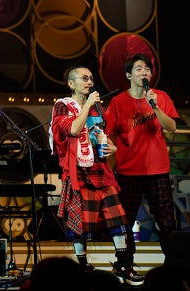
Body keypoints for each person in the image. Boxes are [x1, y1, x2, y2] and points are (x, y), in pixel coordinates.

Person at [48, 65, 144, 286]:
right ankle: (82, 267)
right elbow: (73, 129)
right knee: (81, 221)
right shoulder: (63, 105)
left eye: (91, 78)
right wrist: (88, 105)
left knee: (117, 217)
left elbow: (102, 134)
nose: (89, 82)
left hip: (100, 168)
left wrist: (112, 147)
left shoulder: (97, 107)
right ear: (71, 84)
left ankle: (123, 265)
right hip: (78, 170)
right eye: (84, 78)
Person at [105, 54, 179, 260]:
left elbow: (172, 127)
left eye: (147, 69)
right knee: (125, 222)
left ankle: (174, 264)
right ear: (129, 75)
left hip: (158, 171)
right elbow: (105, 131)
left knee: (167, 221)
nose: (144, 72)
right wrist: (110, 146)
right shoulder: (118, 102)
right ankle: (126, 263)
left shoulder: (160, 97)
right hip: (129, 172)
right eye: (139, 69)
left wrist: (155, 106)